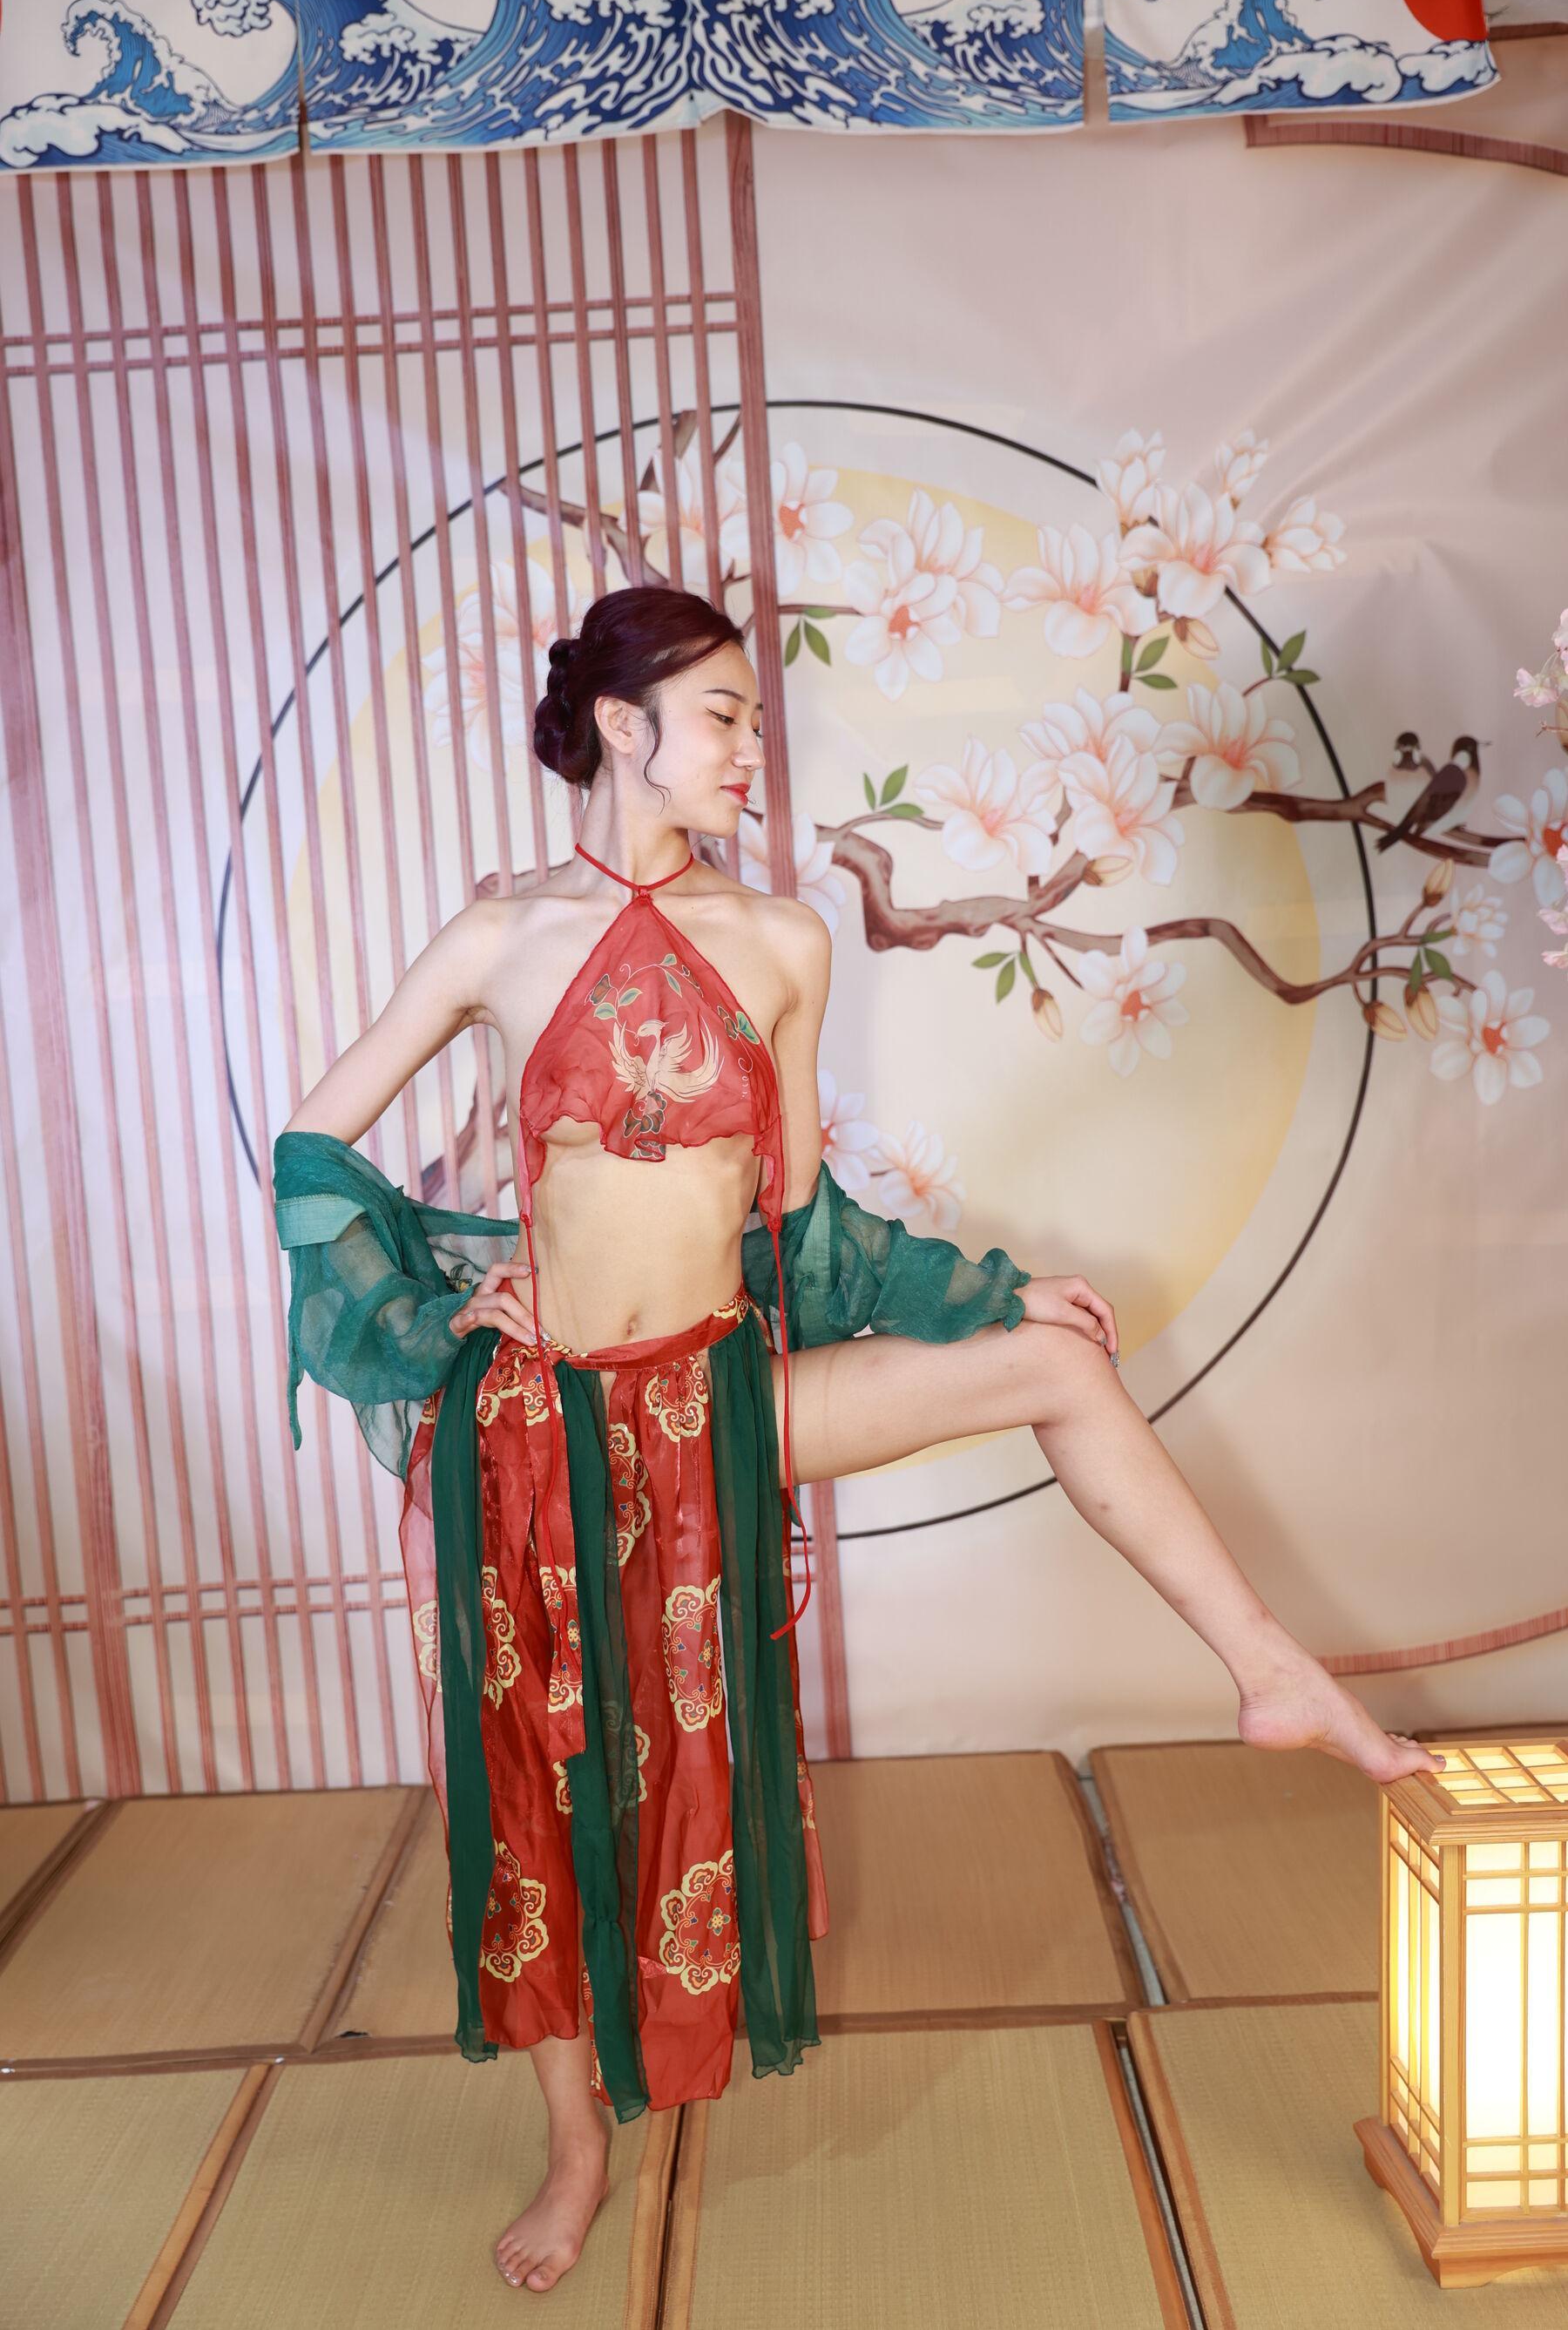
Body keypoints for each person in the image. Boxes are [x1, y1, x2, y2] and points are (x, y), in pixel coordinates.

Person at [277, 583, 1443, 2296]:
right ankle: (576, 2151)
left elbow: (808, 1233)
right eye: (725, 713)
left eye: (756, 716)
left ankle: (1276, 1674)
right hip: (542, 1433)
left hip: (720, 1399)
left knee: (1059, 1365)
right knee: (544, 1807)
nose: (754, 745)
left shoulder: (784, 941)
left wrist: (992, 1293)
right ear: (623, 727)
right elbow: (315, 1147)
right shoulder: (498, 936)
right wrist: (434, 1312)